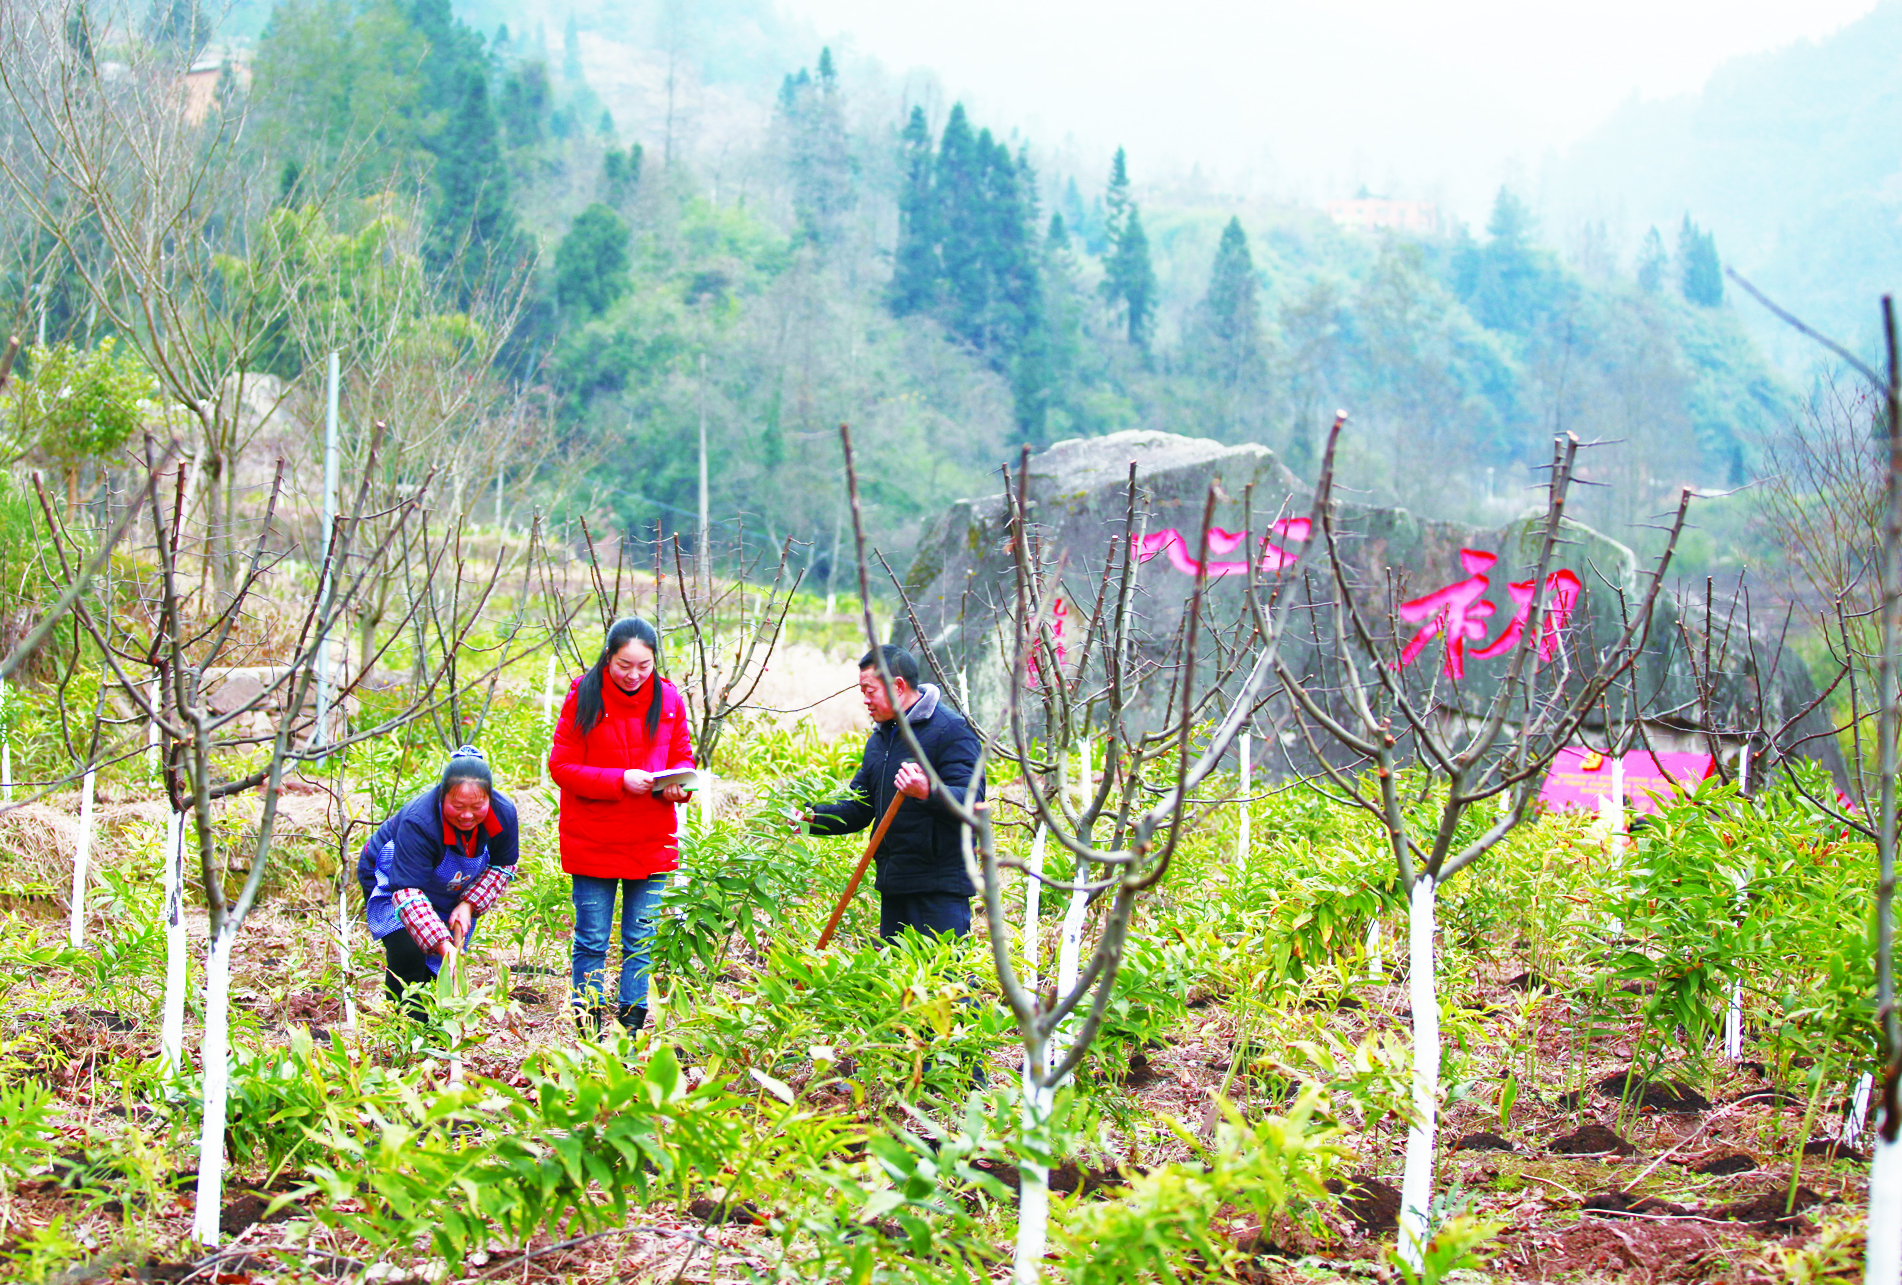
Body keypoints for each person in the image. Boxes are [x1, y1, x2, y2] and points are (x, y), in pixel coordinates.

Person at [547, 617, 695, 1036]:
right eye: (624, 665)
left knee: (642, 941)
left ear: (655, 662)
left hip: (652, 837)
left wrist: (678, 786)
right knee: (592, 939)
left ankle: (631, 1027)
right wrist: (618, 780)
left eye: (644, 666)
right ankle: (588, 1028)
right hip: (593, 837)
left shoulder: (669, 699)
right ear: (608, 657)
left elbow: (682, 756)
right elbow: (561, 767)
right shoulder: (583, 696)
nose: (633, 675)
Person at [801, 644, 983, 940]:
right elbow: (859, 807)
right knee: (896, 970)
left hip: (939, 888)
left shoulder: (951, 730)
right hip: (895, 882)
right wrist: (812, 818)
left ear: (898, 686)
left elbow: (972, 801)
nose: (865, 699)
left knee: (942, 969)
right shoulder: (881, 739)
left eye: (869, 690)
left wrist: (928, 791)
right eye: (862, 691)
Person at [357, 746, 520, 1017]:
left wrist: (469, 904)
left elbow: (503, 866)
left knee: (437, 970)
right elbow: (407, 890)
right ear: (442, 795)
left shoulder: (503, 813)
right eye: (458, 806)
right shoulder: (420, 821)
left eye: (477, 807)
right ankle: (405, 1029)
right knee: (408, 951)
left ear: (489, 798)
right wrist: (444, 946)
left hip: (448, 882)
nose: (467, 815)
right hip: (394, 878)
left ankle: (435, 1030)